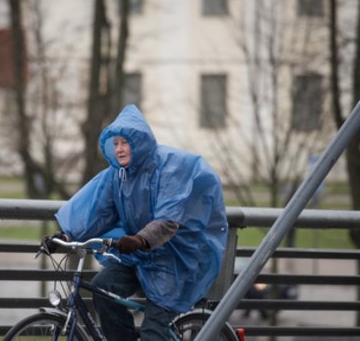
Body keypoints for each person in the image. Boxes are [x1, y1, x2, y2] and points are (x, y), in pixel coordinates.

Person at [45, 104, 228, 340]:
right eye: (116, 144)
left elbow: (167, 221)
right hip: (141, 255)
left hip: (177, 259)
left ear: (139, 142)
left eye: (125, 143)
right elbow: (96, 211)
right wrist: (65, 237)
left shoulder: (168, 169)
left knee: (154, 331)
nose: (120, 149)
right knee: (102, 287)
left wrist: (140, 239)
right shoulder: (118, 175)